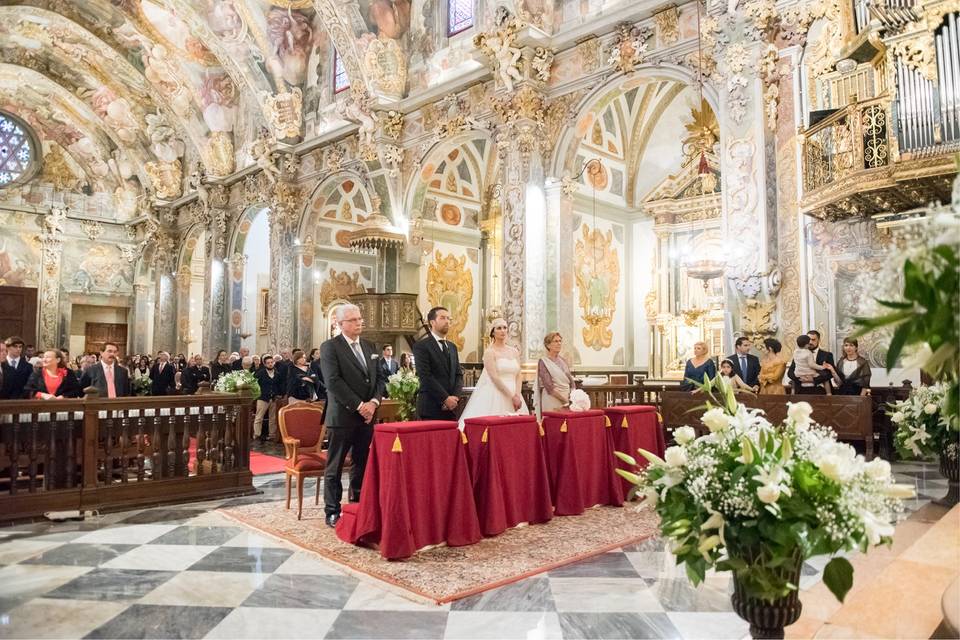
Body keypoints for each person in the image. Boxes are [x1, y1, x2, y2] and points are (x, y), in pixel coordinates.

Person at [319, 303, 386, 527]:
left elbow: (379, 379)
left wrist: (374, 403)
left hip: (367, 416)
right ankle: (332, 510)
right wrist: (360, 405)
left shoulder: (369, 346)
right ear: (340, 324)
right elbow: (333, 382)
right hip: (343, 416)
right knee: (335, 465)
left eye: (359, 319)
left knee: (362, 461)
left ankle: (357, 502)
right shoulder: (331, 347)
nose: (359, 323)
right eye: (353, 320)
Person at [458, 318, 528, 427]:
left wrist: (517, 395)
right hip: (497, 393)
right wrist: (511, 396)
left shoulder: (514, 351)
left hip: (515, 393)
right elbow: (494, 377)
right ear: (493, 332)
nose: (502, 331)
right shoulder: (490, 352)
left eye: (505, 328)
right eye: (499, 328)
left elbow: (519, 374)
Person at [412, 306, 464, 420]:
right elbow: (425, 376)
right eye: (442, 318)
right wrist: (445, 399)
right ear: (432, 322)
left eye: (448, 319)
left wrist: (455, 397)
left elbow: (458, 375)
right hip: (431, 407)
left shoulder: (452, 347)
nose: (447, 321)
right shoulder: (421, 346)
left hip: (452, 409)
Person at [537, 332, 576, 415]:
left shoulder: (563, 360)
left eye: (560, 341)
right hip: (552, 399)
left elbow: (571, 381)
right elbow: (549, 388)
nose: (559, 343)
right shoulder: (543, 362)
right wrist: (564, 400)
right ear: (548, 345)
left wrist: (572, 396)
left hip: (567, 398)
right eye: (555, 341)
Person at [254, 354, 282, 441]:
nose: (270, 364)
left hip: (273, 398)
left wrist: (278, 394)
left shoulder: (277, 373)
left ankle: (272, 434)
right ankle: (256, 434)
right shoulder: (260, 373)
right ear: (265, 364)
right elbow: (255, 384)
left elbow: (279, 385)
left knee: (272, 418)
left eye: (271, 362)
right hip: (263, 398)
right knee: (259, 417)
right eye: (268, 363)